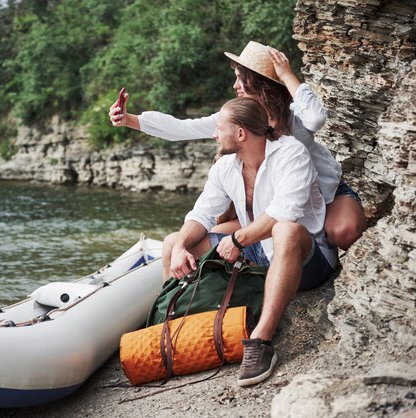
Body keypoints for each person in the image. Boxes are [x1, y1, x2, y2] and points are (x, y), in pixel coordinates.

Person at [109, 41, 366, 252]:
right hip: (272, 207)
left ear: (259, 82)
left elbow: (317, 117)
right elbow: (183, 128)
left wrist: (287, 74)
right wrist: (131, 120)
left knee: (342, 232)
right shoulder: (236, 119)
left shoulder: (293, 115)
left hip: (325, 194)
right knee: (207, 234)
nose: (235, 86)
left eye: (240, 79)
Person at [166, 96, 336, 386]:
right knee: (173, 242)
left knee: (286, 229)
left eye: (219, 128)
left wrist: (237, 238)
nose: (214, 134)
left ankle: (261, 342)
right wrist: (181, 246)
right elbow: (202, 213)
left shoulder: (290, 153)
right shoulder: (225, 167)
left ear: (241, 133)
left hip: (306, 256)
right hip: (257, 252)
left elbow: (285, 212)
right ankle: (170, 333)